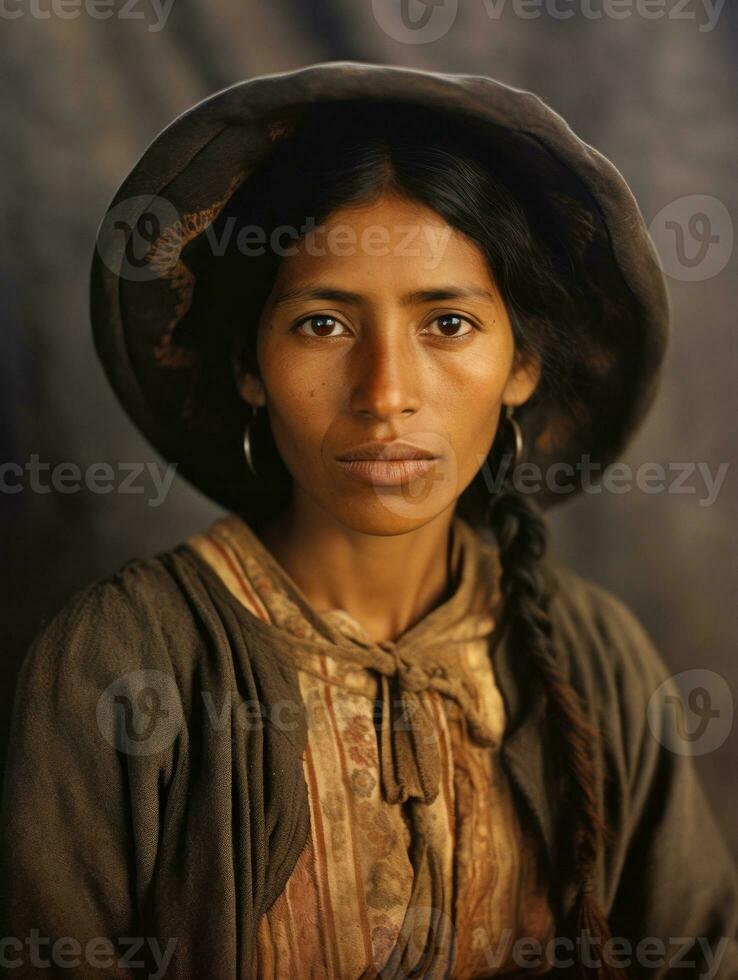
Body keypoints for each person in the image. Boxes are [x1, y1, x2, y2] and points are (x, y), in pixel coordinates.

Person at [1, 63, 736, 980]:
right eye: (321, 325)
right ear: (248, 366)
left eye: (450, 324)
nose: (386, 394)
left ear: (523, 366)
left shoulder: (595, 660)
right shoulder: (117, 663)